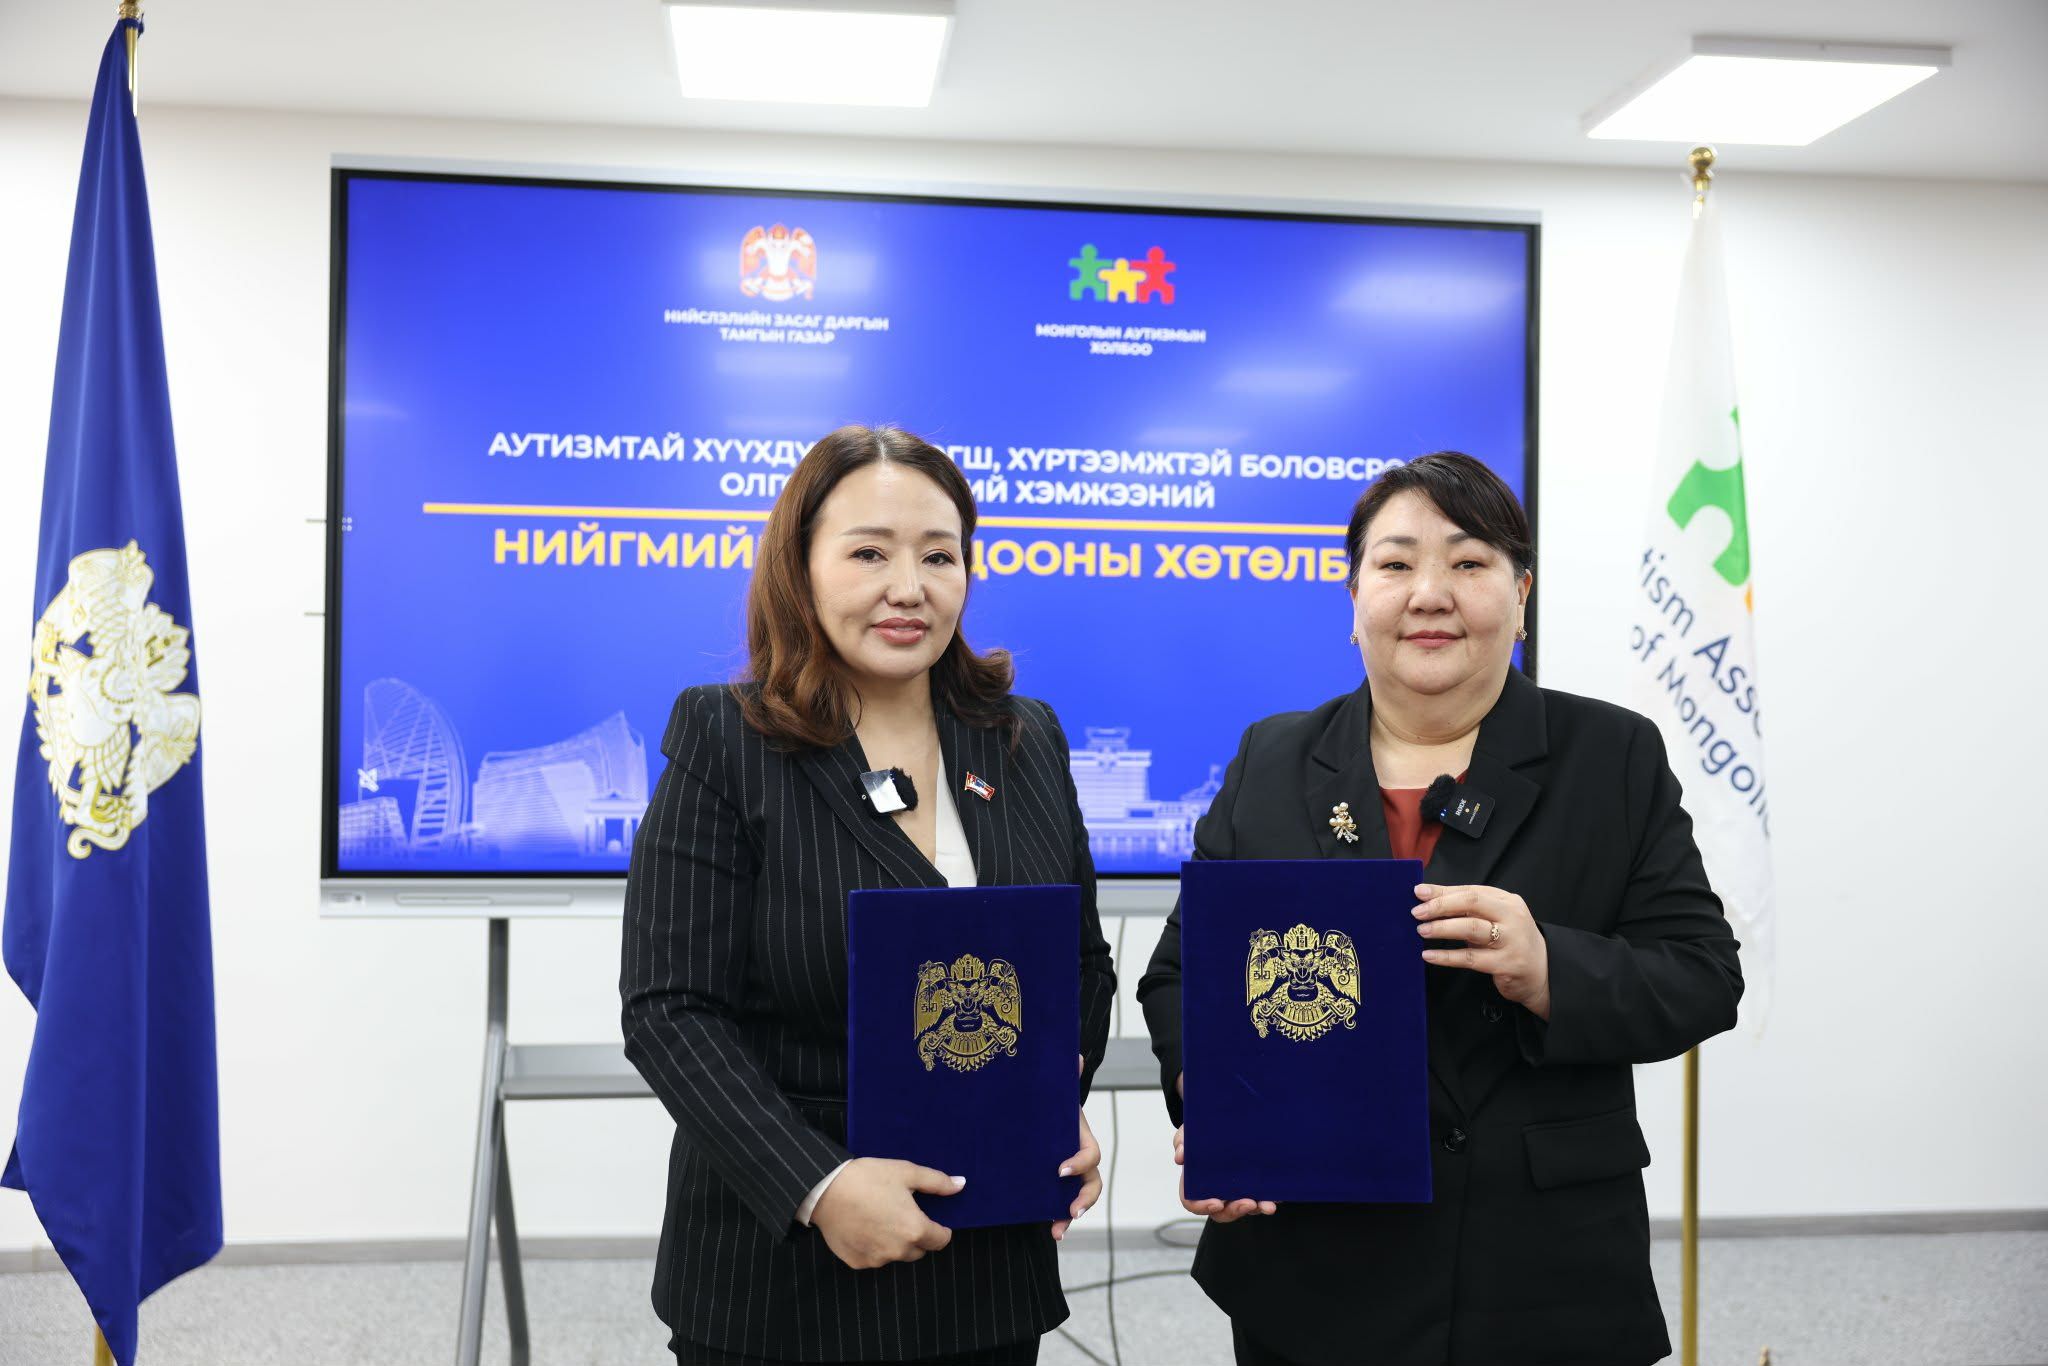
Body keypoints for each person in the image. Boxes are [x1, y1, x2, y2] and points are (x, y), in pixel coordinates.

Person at [1138, 451, 1743, 1366]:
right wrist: (1221, 1101)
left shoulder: (1611, 755)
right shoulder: (1273, 757)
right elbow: (1182, 975)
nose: (1429, 594)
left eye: (1468, 562)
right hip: (1311, 1259)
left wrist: (1551, 970)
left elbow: (1702, 976)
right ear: (1354, 598)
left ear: (1521, 595)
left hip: (1540, 1267)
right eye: (1395, 564)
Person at [622, 425, 1116, 1365]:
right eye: (869, 554)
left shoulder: (1024, 736)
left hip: (986, 1265)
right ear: (799, 566)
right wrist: (820, 1186)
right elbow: (669, 1011)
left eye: (939, 555)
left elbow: (1079, 967)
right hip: (783, 1283)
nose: (910, 587)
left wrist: (1051, 1101)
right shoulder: (726, 739)